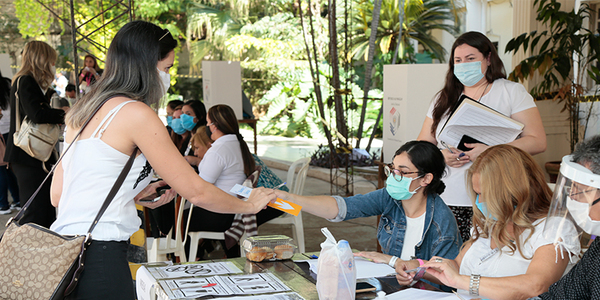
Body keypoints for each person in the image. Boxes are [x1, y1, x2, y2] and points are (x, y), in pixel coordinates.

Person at [48, 21, 275, 299]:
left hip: (66, 254)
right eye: (167, 68)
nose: (167, 78)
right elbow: (197, 190)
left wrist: (130, 194)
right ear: (147, 65)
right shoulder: (137, 113)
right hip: (101, 256)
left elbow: (58, 196)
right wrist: (249, 204)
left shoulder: (81, 113)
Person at [397, 145, 579, 299]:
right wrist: (417, 268)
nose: (479, 202)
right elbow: (457, 266)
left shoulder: (554, 229)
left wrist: (462, 281)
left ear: (514, 191)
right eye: (477, 193)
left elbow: (536, 284)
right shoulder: (491, 221)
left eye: (485, 194)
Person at [417, 31, 547, 242]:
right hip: (447, 196)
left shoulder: (511, 91)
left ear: (488, 59)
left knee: (491, 254)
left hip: (497, 195)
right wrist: (439, 155)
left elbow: (538, 140)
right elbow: (423, 142)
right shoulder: (444, 98)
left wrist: (491, 151)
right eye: (458, 60)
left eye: (470, 59)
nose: (463, 64)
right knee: (449, 259)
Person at [274, 141, 462, 278]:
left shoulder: (441, 221)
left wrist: (392, 261)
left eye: (402, 172)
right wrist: (291, 199)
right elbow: (343, 208)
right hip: (391, 283)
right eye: (392, 169)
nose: (394, 177)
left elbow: (445, 275)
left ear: (426, 179)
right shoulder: (389, 197)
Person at [4, 41, 66, 227]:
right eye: (51, 60)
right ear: (42, 59)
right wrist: (64, 113)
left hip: (32, 154)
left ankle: (41, 253)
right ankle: (27, 254)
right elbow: (36, 115)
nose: (52, 65)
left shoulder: (27, 80)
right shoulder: (25, 80)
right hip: (27, 154)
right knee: (34, 211)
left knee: (43, 210)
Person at [184, 104, 258, 259]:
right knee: (181, 216)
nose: (206, 127)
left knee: (176, 219)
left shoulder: (219, 149)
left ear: (215, 126)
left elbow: (202, 188)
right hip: (231, 209)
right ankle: (200, 254)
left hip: (221, 213)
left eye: (208, 123)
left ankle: (188, 259)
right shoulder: (236, 144)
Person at [531, 135, 600, 300]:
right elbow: (558, 296)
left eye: (581, 191)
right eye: (571, 188)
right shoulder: (597, 248)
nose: (573, 197)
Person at [0, 70, 19, 214]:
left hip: (1, 131)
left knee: (2, 168)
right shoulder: (7, 82)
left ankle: (3, 204)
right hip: (11, 129)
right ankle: (17, 199)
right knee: (8, 167)